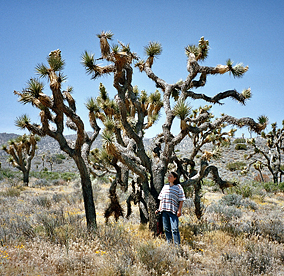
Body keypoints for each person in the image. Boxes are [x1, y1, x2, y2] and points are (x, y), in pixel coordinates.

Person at [155, 171, 186, 245]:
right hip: (164, 210)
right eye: (168, 176)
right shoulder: (165, 186)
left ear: (175, 178)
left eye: (171, 176)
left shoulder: (178, 187)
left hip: (173, 211)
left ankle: (177, 246)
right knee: (167, 229)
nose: (168, 177)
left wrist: (179, 210)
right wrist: (159, 209)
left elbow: (181, 200)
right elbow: (161, 199)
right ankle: (170, 245)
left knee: (175, 229)